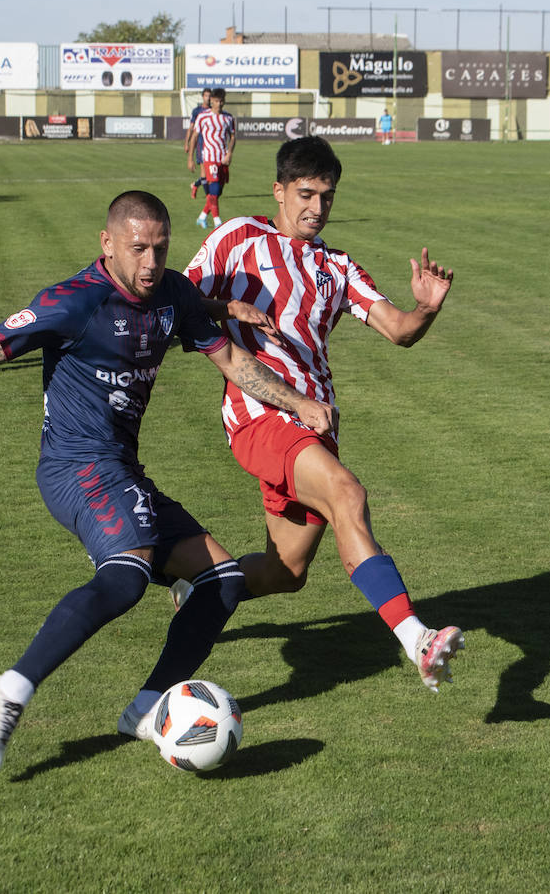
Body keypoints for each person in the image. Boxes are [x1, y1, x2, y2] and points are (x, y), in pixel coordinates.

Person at [0, 191, 335, 774]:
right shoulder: (75, 301)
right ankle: (10, 689)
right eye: (138, 248)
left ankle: (147, 708)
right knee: (128, 575)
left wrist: (299, 401)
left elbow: (231, 361)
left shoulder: (173, 292)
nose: (151, 261)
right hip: (75, 465)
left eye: (160, 247)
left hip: (121, 468)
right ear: (109, 244)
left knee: (222, 580)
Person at [116, 136, 464, 739]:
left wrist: (426, 310)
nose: (317, 208)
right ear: (279, 191)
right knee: (348, 496)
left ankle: (195, 586)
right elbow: (179, 298)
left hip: (316, 423)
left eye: (326, 197)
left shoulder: (338, 266)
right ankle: (418, 640)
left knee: (287, 571)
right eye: (305, 194)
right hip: (259, 414)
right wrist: (228, 309)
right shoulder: (237, 238)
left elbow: (398, 331)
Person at [190, 88, 235, 229]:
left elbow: (233, 137)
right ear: (212, 101)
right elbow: (194, 137)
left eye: (221, 101)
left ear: (224, 101)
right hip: (209, 158)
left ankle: (202, 217)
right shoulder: (203, 116)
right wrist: (190, 158)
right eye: (216, 101)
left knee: (218, 192)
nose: (219, 104)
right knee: (214, 189)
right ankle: (218, 222)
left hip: (223, 159)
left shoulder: (228, 118)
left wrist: (229, 153)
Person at [185, 88, 212, 199]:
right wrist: (187, 142)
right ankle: (208, 196)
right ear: (203, 97)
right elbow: (191, 128)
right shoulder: (197, 111)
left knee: (212, 174)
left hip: (213, 146)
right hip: (201, 144)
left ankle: (196, 185)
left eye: (210, 96)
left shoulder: (213, 111)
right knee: (204, 172)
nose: (208, 98)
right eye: (206, 96)